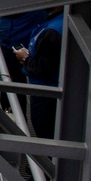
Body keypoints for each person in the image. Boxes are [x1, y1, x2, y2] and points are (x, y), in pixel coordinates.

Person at [13, 8, 64, 139]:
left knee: (44, 131)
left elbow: (42, 69)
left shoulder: (52, 31)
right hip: (51, 91)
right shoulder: (57, 23)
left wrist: (25, 59)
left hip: (45, 94)